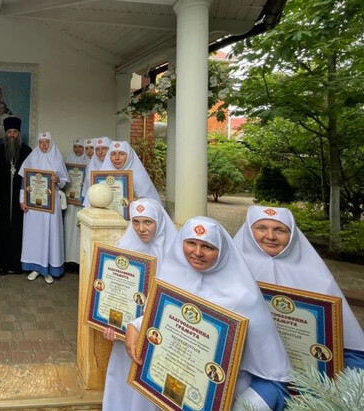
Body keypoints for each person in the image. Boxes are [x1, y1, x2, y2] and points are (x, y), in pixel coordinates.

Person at [122, 217, 291, 411]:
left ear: (223, 252)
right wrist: (135, 325)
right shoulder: (171, 278)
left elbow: (273, 378)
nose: (197, 252)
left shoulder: (243, 298)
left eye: (208, 247)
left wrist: (245, 407)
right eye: (191, 243)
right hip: (167, 391)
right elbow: (164, 319)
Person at [233, 205, 364, 369]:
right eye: (261, 228)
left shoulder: (316, 274)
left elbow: (346, 340)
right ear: (248, 232)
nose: (270, 236)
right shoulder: (231, 269)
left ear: (293, 234)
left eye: (280, 230)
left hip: (305, 366)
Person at [101, 198, 177, 411]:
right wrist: (109, 322)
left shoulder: (176, 254)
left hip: (158, 333)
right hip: (125, 333)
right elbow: (112, 291)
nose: (141, 229)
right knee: (122, 378)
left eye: (148, 222)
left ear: (159, 221)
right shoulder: (124, 247)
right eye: (136, 222)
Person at [19, 132, 68, 284]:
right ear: (38, 144)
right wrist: (22, 200)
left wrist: (58, 179)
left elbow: (64, 181)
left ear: (51, 143)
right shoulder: (32, 158)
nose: (44, 145)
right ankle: (36, 268)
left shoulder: (57, 158)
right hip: (34, 205)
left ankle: (50, 269)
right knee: (35, 236)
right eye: (41, 142)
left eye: (47, 142)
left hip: (51, 204)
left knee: (51, 235)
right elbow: (24, 181)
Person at [0, 116, 32, 274]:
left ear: (19, 133)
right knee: (2, 231)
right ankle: (2, 263)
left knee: (18, 231)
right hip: (2, 198)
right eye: (9, 132)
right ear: (5, 133)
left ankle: (17, 264)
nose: (12, 135)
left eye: (15, 132)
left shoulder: (28, 151)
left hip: (21, 198)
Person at [95, 140, 161, 204]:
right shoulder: (102, 174)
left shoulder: (139, 176)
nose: (117, 158)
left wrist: (135, 201)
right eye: (113, 154)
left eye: (122, 154)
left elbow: (151, 203)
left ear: (129, 156)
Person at [63, 139, 89, 267]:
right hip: (70, 203)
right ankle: (68, 260)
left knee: (79, 231)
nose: (77, 150)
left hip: (82, 204)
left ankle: (79, 262)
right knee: (68, 230)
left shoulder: (89, 163)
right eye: (75, 147)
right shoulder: (68, 160)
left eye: (80, 147)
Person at [81, 137, 111, 203]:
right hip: (92, 203)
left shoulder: (116, 166)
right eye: (97, 149)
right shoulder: (92, 165)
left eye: (104, 148)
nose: (100, 152)